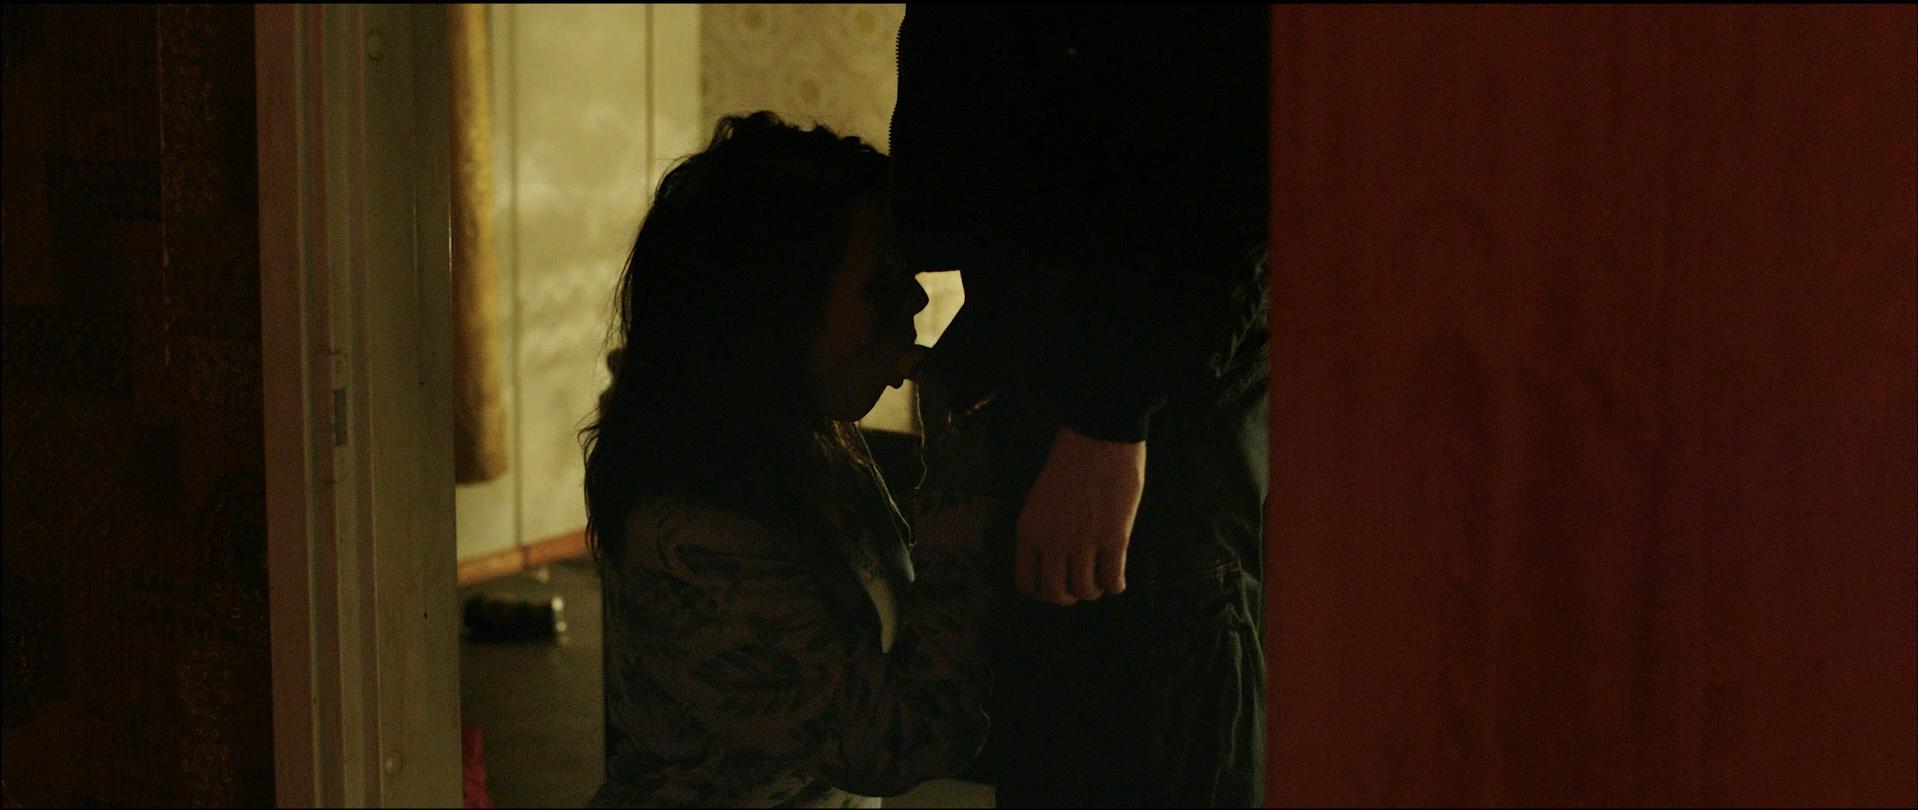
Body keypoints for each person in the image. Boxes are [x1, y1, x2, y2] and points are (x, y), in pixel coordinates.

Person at [889, 4, 1271, 806]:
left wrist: (1110, 417)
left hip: (1142, 406)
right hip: (1077, 387)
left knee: (1143, 732)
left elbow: (1228, 165)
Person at [580, 111, 994, 808]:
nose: (919, 298)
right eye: (882, 283)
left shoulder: (804, 433)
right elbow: (902, 740)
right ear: (772, 310)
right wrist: (962, 478)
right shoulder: (691, 530)